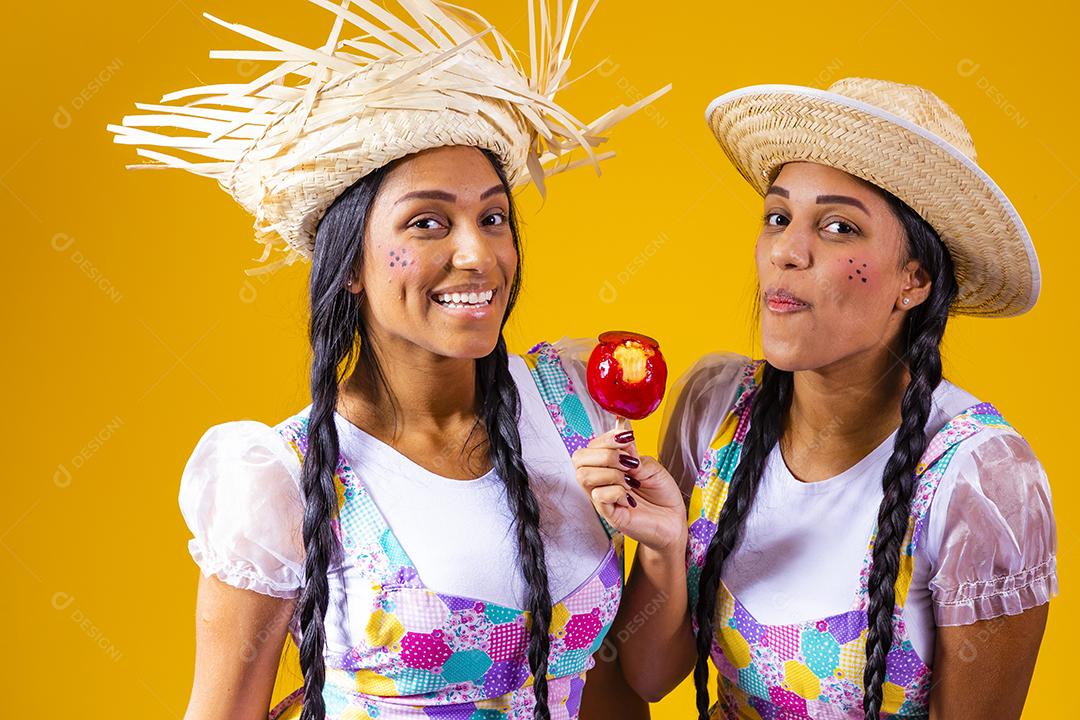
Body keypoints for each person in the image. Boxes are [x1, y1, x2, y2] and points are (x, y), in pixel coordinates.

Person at [107, 2, 668, 718]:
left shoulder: (573, 404)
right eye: (428, 222)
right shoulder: (286, 480)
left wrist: (662, 551)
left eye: (493, 218)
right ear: (350, 266)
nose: (478, 255)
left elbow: (616, 688)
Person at [572, 77, 1057, 719]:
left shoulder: (981, 481)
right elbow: (651, 676)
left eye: (837, 227)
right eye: (778, 218)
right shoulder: (714, 409)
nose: (786, 252)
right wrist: (662, 547)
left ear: (915, 280)